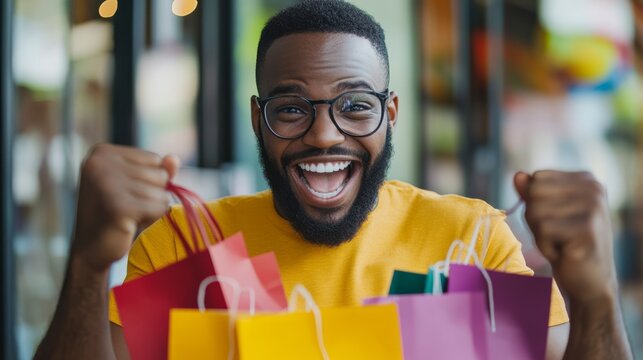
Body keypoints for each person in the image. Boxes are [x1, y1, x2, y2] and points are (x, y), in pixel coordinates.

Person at [35, 1, 631, 359]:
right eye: (291, 108)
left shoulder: (470, 239)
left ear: (390, 113)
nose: (324, 136)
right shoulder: (186, 245)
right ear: (257, 119)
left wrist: (597, 297)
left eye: (355, 106)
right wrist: (87, 264)